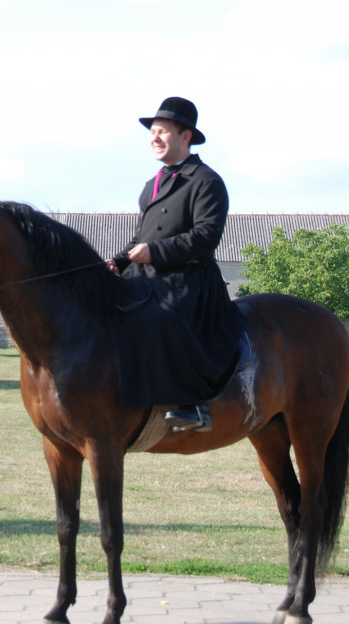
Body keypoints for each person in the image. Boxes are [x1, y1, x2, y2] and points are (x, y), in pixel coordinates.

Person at [106, 96, 243, 432]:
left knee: (160, 315)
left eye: (163, 131)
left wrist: (155, 252)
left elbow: (206, 237)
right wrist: (119, 260)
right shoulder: (151, 185)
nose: (154, 138)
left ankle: (192, 404)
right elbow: (142, 235)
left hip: (190, 279)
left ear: (185, 136)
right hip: (146, 275)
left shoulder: (206, 181)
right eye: (152, 131)